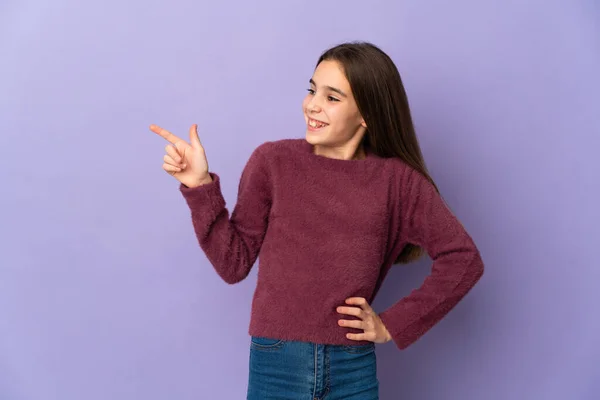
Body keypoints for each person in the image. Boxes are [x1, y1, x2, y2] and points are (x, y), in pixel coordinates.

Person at [150, 41, 484, 400]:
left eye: (332, 97)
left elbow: (463, 260)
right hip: (276, 363)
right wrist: (199, 186)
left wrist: (390, 324)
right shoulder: (272, 162)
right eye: (312, 90)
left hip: (352, 368)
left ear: (366, 113)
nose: (312, 104)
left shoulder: (398, 183)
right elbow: (233, 264)